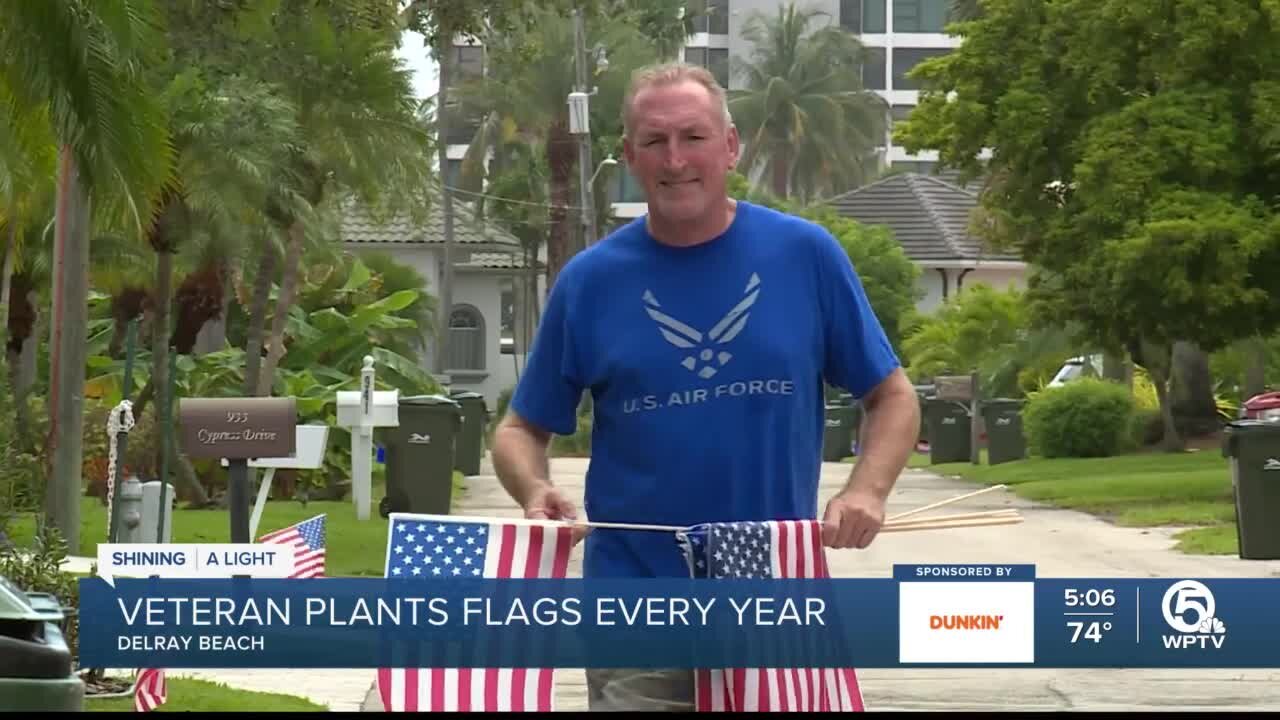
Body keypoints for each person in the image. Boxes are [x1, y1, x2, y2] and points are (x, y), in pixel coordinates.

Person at [490, 61, 921, 710]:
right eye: (654, 141)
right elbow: (520, 429)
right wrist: (534, 486)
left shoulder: (805, 255)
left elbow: (891, 395)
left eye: (693, 137)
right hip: (634, 603)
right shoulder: (590, 281)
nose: (675, 159)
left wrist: (868, 490)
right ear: (630, 155)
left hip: (772, 595)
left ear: (729, 146)